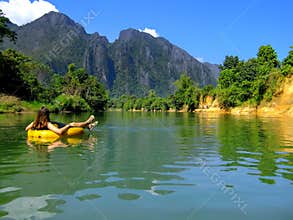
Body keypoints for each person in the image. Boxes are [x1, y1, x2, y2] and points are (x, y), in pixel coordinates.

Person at [25, 107, 98, 135]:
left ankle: (88, 125)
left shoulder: (34, 123)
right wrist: (68, 125)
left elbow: (26, 129)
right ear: (46, 115)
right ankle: (88, 123)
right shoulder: (47, 124)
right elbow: (59, 132)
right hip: (59, 126)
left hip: (56, 124)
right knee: (72, 124)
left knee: (73, 124)